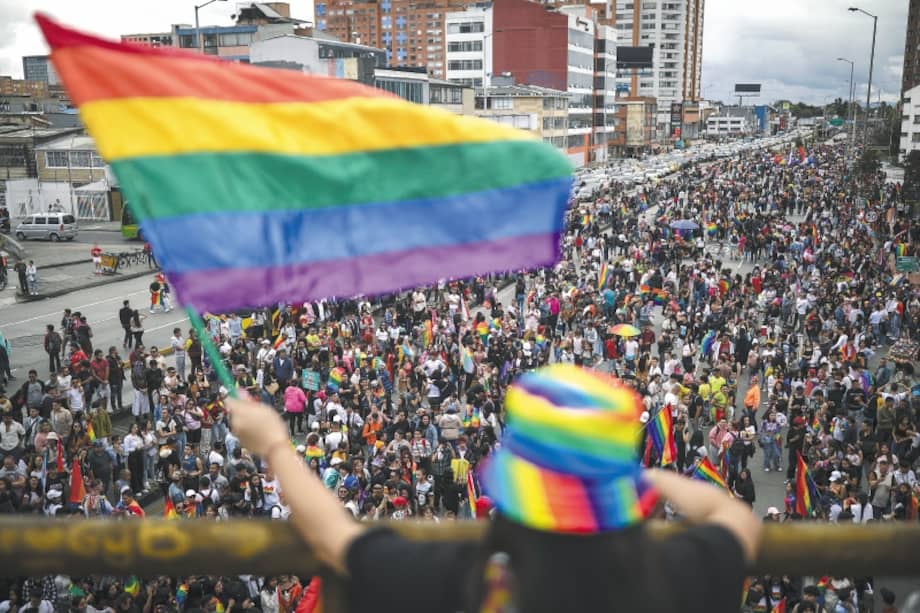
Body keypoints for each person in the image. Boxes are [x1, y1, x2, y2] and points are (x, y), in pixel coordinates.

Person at [228, 364, 760, 612]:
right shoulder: (679, 574)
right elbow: (736, 519)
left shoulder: (461, 579)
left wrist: (274, 444)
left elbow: (334, 537)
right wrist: (638, 478)